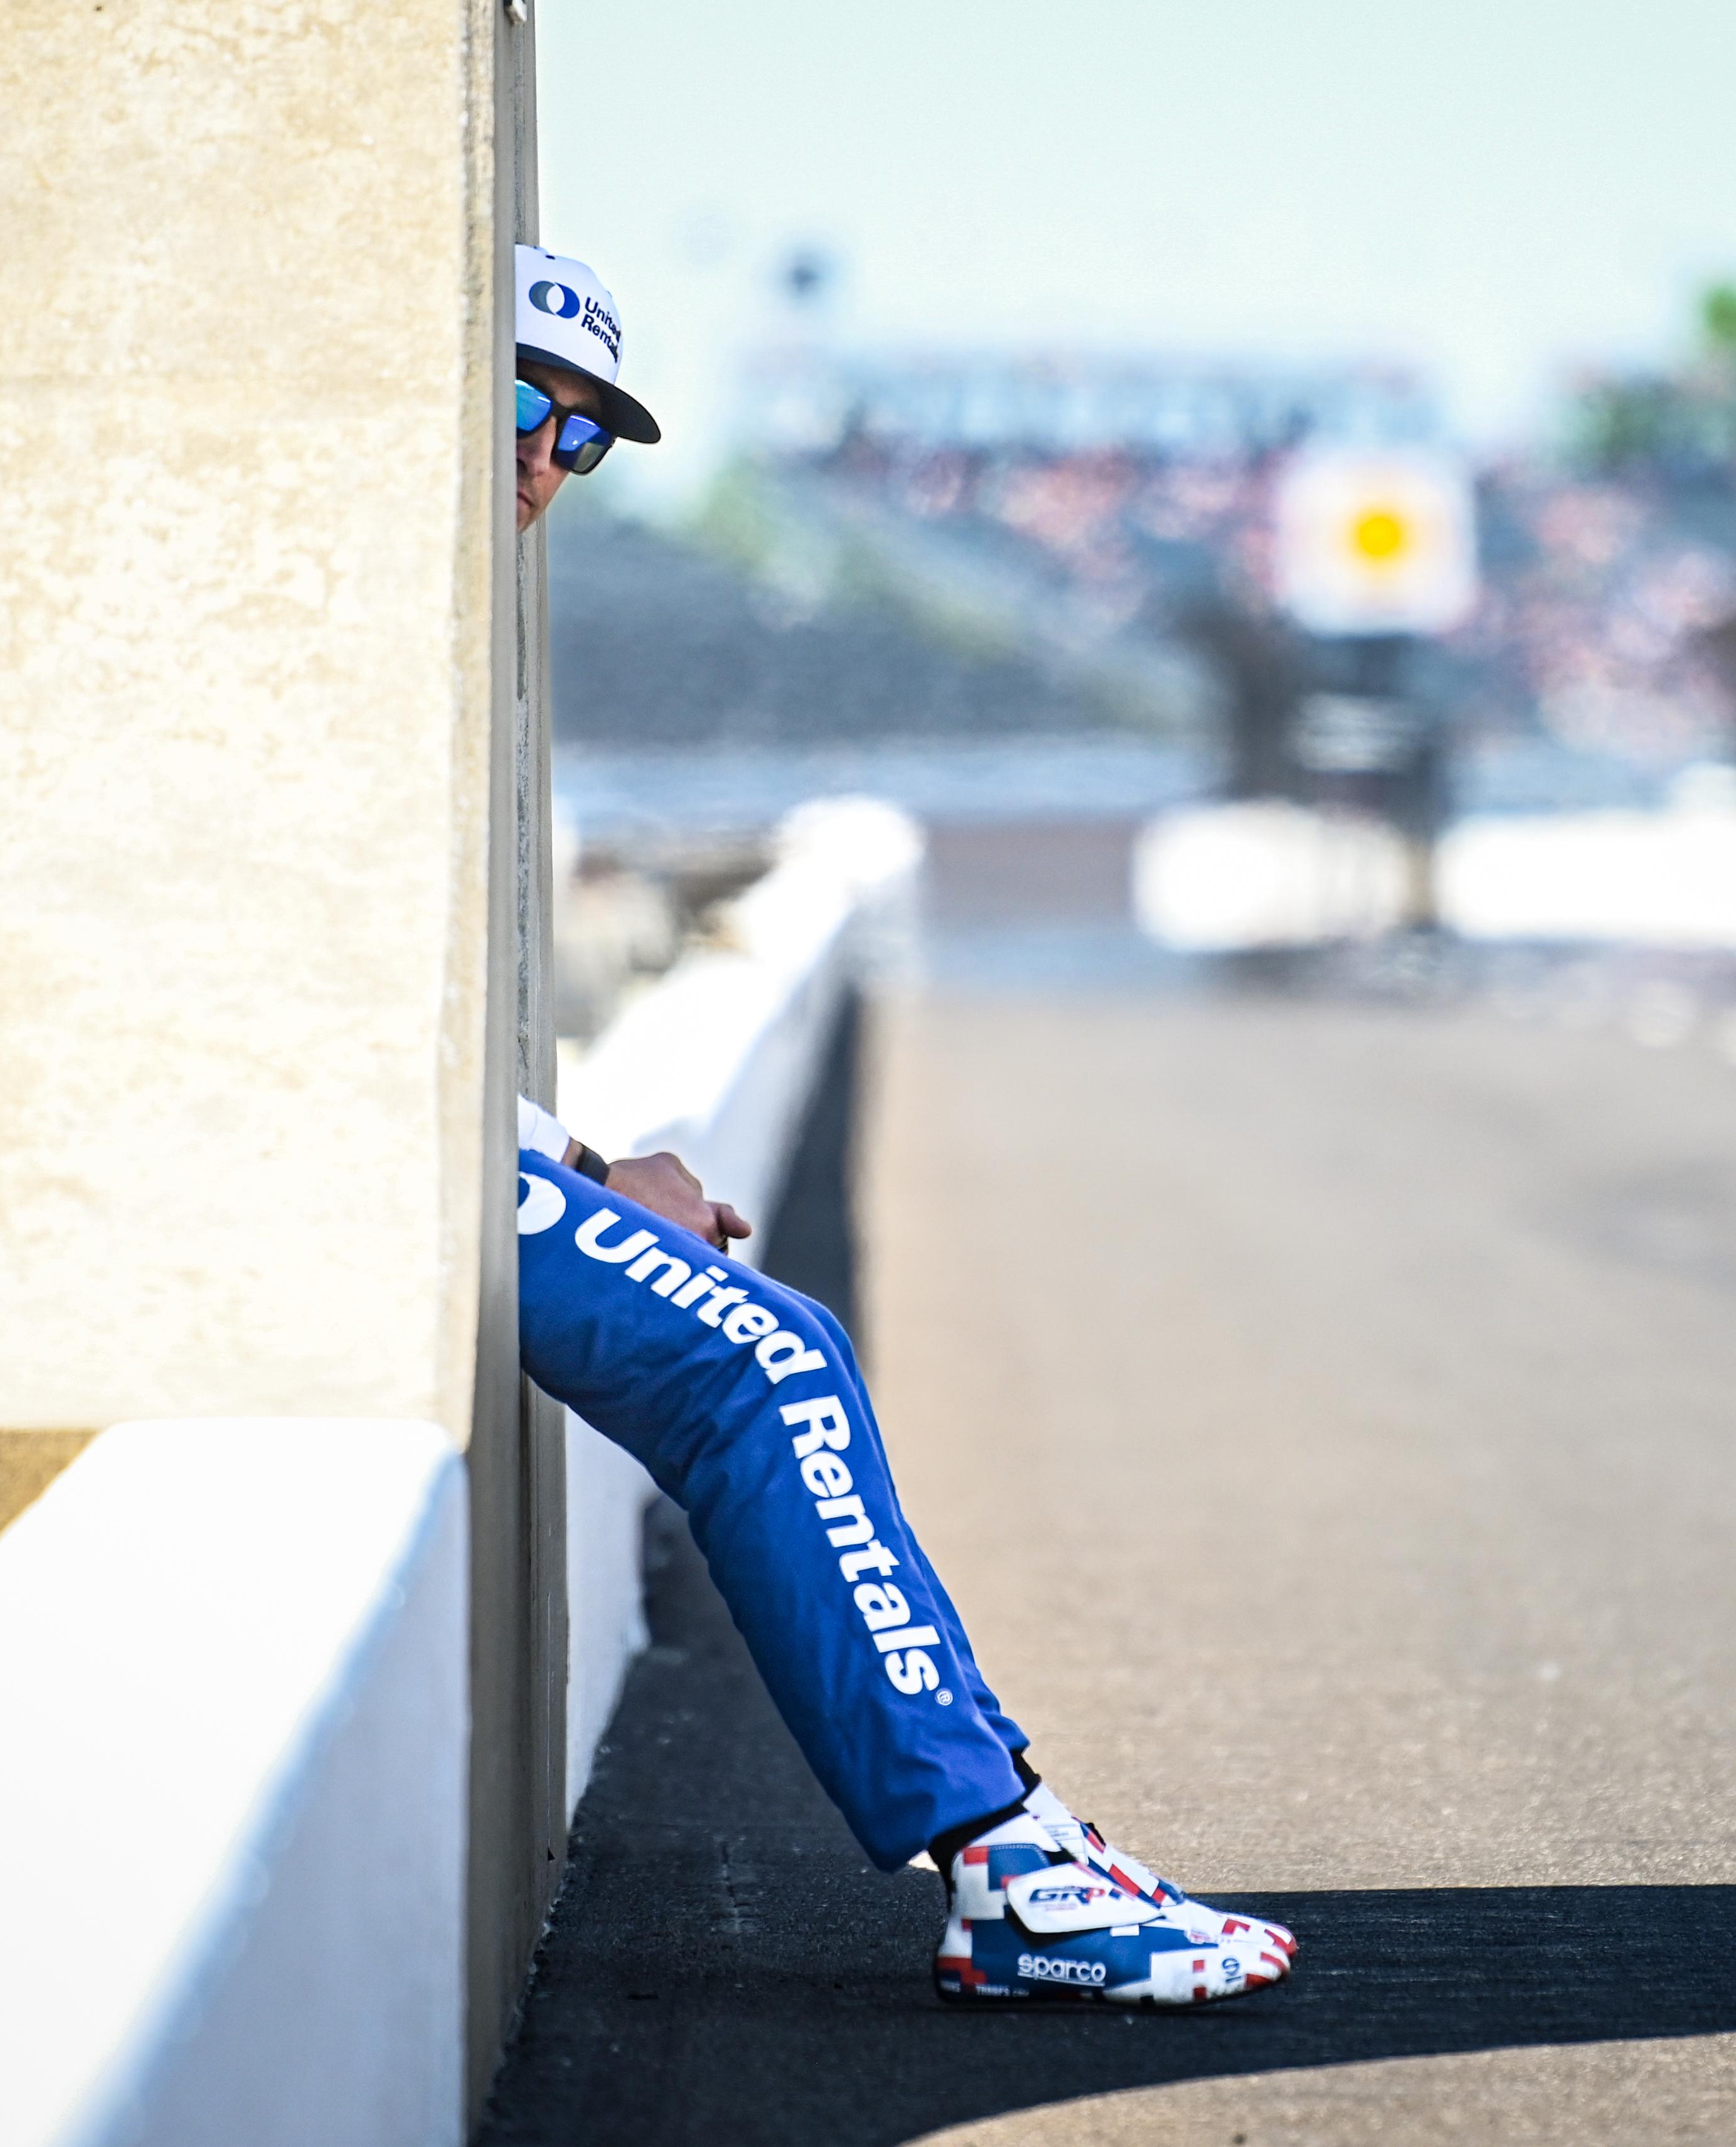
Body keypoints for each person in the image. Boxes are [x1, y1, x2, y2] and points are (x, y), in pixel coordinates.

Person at [504, 247, 1294, 2007]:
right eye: (513, 404)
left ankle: (1020, 1832)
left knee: (777, 1346)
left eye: (582, 436)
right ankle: (1010, 1869)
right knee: (763, 1368)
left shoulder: (426, 617)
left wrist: (565, 1166)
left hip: (410, 1151)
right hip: (326, 1169)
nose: (546, 459)